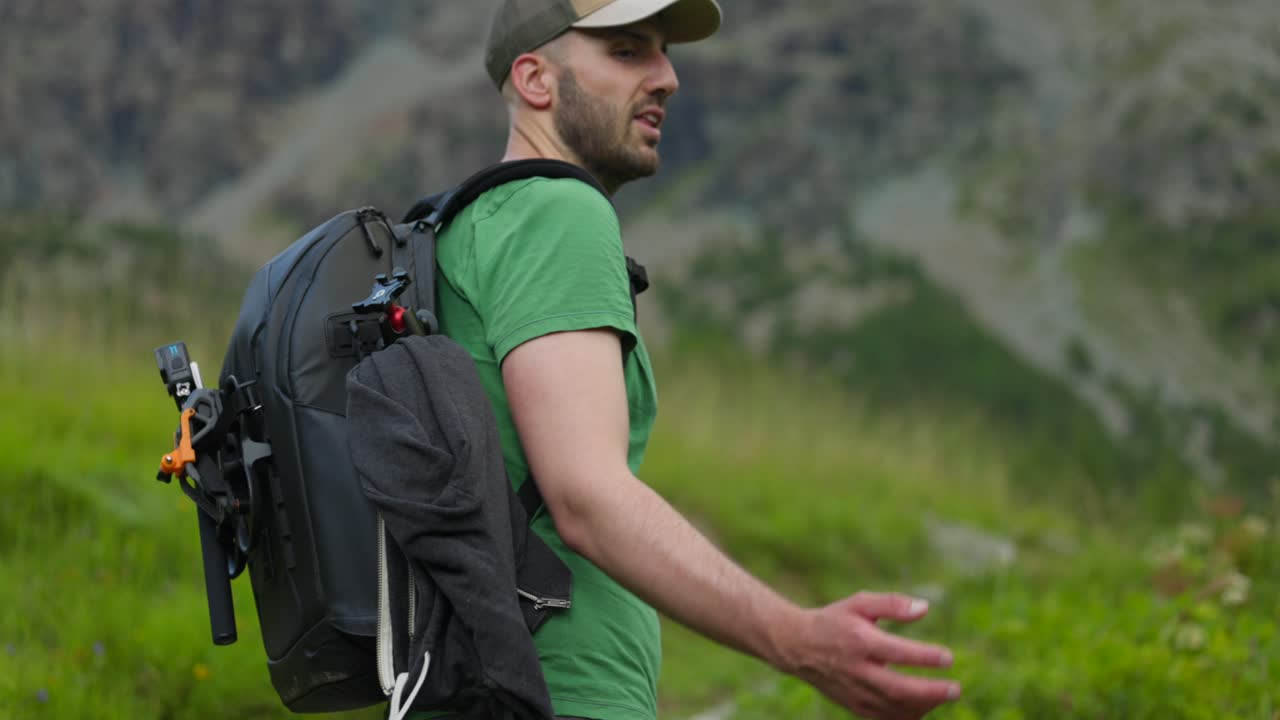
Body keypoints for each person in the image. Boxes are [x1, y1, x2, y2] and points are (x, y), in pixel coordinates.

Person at [430, 0, 963, 718]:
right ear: (535, 80)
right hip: (556, 694)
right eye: (627, 52)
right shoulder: (559, 211)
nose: (668, 77)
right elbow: (587, 497)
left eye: (663, 52)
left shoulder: (462, 230)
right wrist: (796, 637)